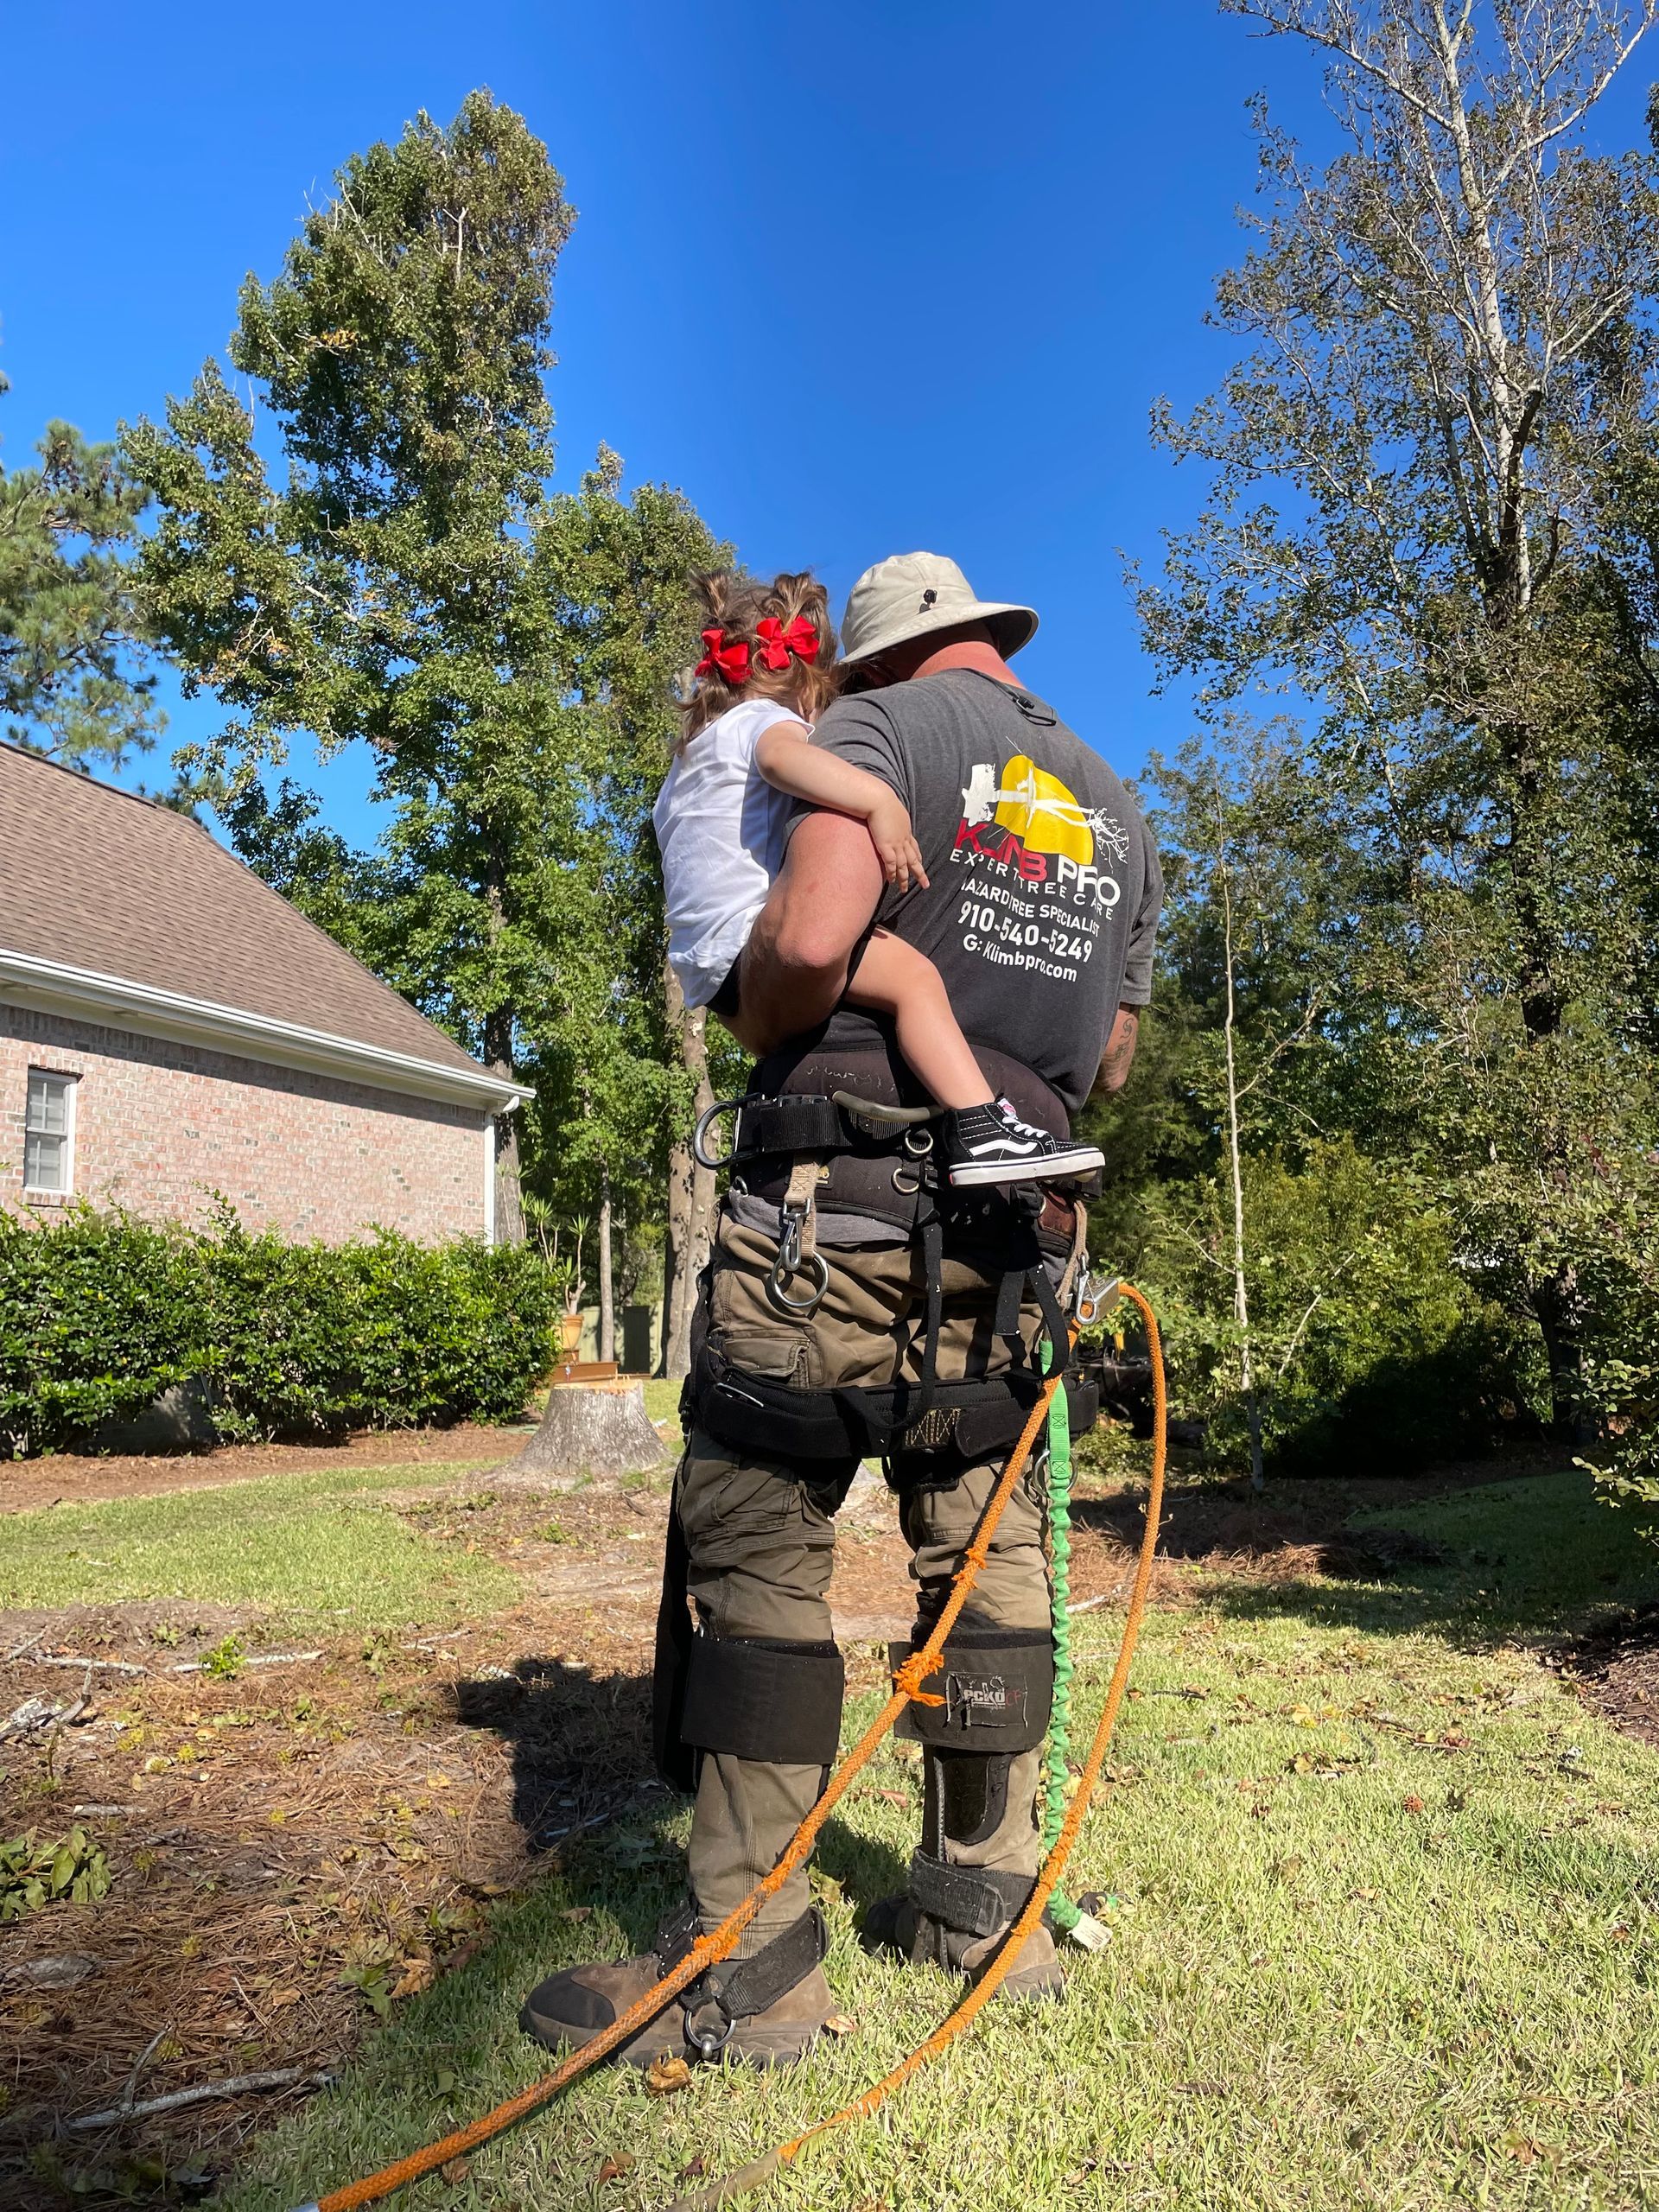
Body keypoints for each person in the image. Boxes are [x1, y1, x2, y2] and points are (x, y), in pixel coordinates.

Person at [522, 551, 1162, 2069]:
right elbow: (1112, 1059)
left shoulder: (879, 732)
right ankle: (984, 1913)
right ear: (990, 641)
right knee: (990, 1560)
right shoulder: (1120, 813)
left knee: (760, 1549)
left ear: (876, 664)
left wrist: (757, 1002)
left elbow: (809, 944)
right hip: (1017, 1235)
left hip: (837, 1208)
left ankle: (751, 1976)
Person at [654, 569, 1103, 1185]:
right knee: (915, 980)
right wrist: (878, 801)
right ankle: (982, 1126)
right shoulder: (765, 722)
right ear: (801, 684)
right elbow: (785, 760)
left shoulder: (692, 756)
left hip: (710, 967)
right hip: (746, 939)